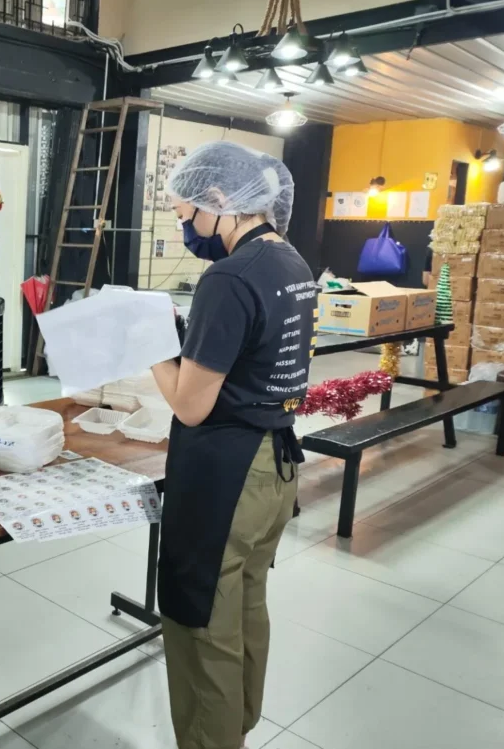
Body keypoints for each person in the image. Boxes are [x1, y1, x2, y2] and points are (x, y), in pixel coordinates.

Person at [149, 141, 316, 749]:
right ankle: (239, 726)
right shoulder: (291, 263)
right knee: (245, 603)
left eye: (186, 214)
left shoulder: (229, 275)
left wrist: (151, 346)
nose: (185, 228)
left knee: (202, 624)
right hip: (274, 466)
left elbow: (191, 404)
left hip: (227, 476)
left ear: (220, 202)